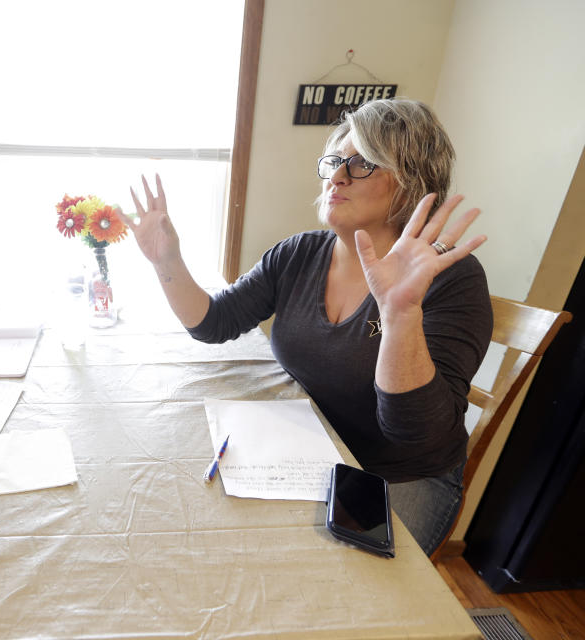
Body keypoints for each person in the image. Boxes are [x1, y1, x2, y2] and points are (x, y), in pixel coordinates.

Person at [120, 99, 492, 555]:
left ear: (412, 181)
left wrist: (399, 315)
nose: (337, 176)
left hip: (394, 473)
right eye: (335, 161)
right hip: (310, 448)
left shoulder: (451, 279)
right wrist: (168, 262)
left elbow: (415, 433)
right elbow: (214, 324)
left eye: (362, 164)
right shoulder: (298, 254)